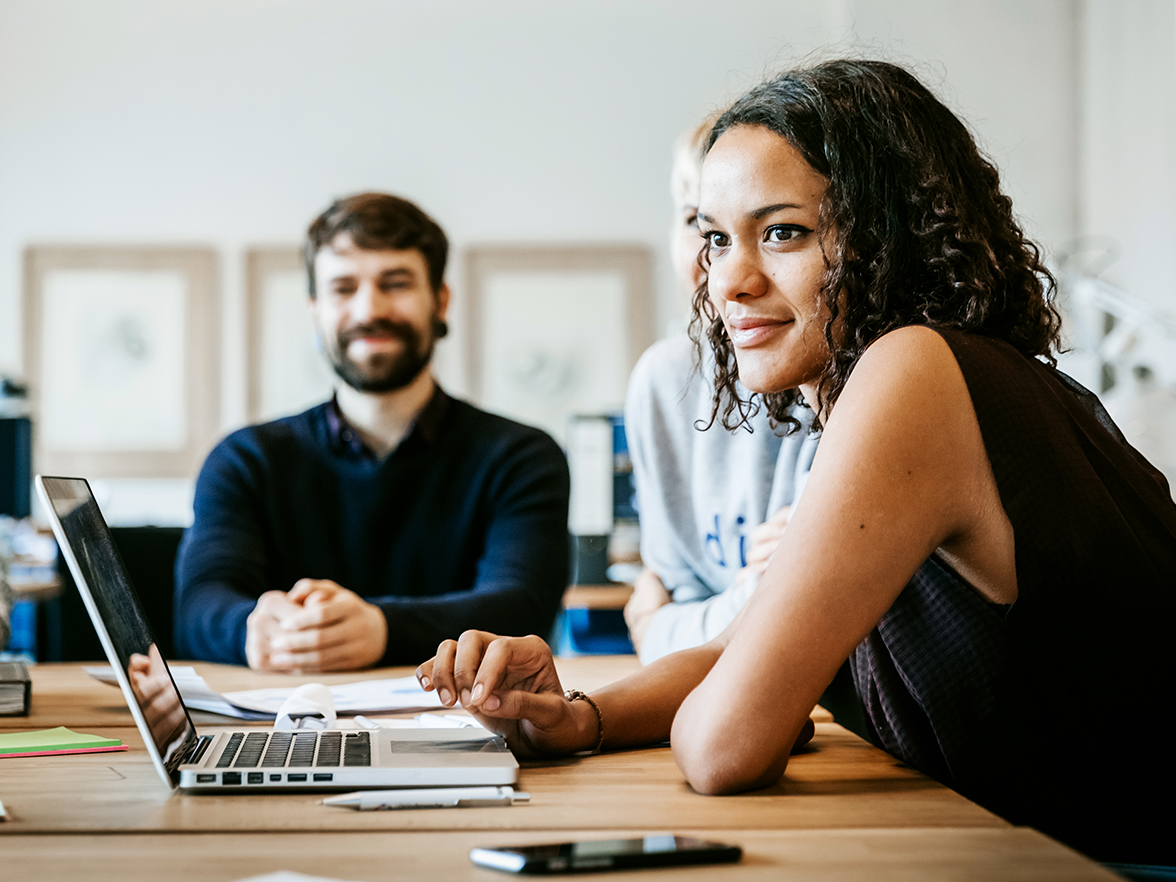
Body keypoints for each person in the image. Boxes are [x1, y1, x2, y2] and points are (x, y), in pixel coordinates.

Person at [417, 61, 1176, 864]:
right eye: (714, 237)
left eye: (783, 232)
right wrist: (576, 715)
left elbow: (724, 749)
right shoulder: (932, 379)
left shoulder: (913, 372)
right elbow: (747, 643)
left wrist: (757, 710)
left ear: (888, 236)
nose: (729, 282)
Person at [175, 193, 570, 672]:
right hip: (284, 731)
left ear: (440, 301)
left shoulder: (521, 457)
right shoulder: (244, 460)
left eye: (396, 283)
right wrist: (255, 630)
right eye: (343, 288)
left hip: (464, 730)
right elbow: (198, 606)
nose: (369, 309)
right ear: (316, 310)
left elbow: (521, 606)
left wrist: (381, 629)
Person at [623, 115, 819, 662]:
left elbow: (794, 616)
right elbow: (675, 584)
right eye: (705, 229)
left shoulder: (829, 378)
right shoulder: (663, 382)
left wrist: (662, 630)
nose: (726, 269)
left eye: (776, 231)